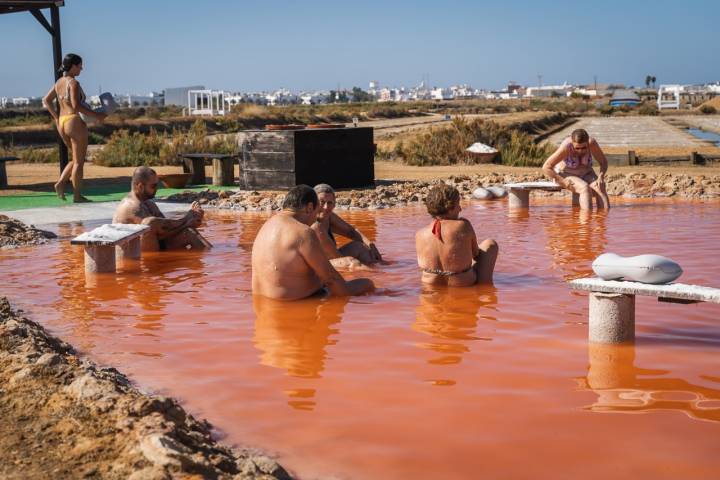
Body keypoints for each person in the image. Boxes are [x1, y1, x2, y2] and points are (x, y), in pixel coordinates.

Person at [252, 184, 374, 300]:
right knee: (367, 284)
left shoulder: (266, 226)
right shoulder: (303, 232)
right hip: (296, 304)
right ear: (310, 208)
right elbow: (333, 281)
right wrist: (372, 285)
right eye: (317, 211)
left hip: (263, 305)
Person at [42, 53, 106, 202]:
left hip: (63, 122)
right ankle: (77, 196)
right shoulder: (73, 83)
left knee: (75, 158)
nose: (82, 69)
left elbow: (46, 100)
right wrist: (97, 116)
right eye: (80, 66)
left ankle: (60, 184)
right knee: (79, 162)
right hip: (74, 122)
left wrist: (56, 118)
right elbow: (76, 106)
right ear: (73, 66)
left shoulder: (59, 82)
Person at [415, 183, 498, 287]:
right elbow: (476, 255)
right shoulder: (463, 225)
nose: (460, 209)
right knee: (490, 244)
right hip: (462, 283)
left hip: (430, 285)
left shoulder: (419, 234)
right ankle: (485, 287)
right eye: (458, 204)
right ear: (450, 207)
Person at [113, 166, 211, 251]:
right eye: (153, 186)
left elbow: (167, 227)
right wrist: (187, 220)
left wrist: (191, 221)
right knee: (150, 222)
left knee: (190, 233)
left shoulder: (149, 204)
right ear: (140, 186)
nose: (157, 189)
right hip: (138, 257)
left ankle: (209, 261)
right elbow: (157, 229)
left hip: (157, 245)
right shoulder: (131, 206)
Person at [310, 183, 382, 269]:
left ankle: (381, 268)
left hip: (331, 260)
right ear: (313, 203)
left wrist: (371, 246)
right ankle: (378, 276)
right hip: (314, 267)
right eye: (321, 202)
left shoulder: (328, 217)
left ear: (334, 205)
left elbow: (352, 232)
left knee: (359, 246)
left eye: (329, 203)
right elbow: (338, 257)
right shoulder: (314, 225)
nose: (326, 207)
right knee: (351, 262)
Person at [542, 128, 610, 210]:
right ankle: (586, 221)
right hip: (567, 174)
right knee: (584, 188)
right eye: (577, 148)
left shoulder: (592, 144)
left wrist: (601, 177)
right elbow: (546, 166)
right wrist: (561, 180)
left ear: (588, 142)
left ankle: (604, 220)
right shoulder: (566, 147)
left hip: (586, 172)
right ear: (572, 143)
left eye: (584, 148)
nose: (580, 151)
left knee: (599, 187)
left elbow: (603, 162)